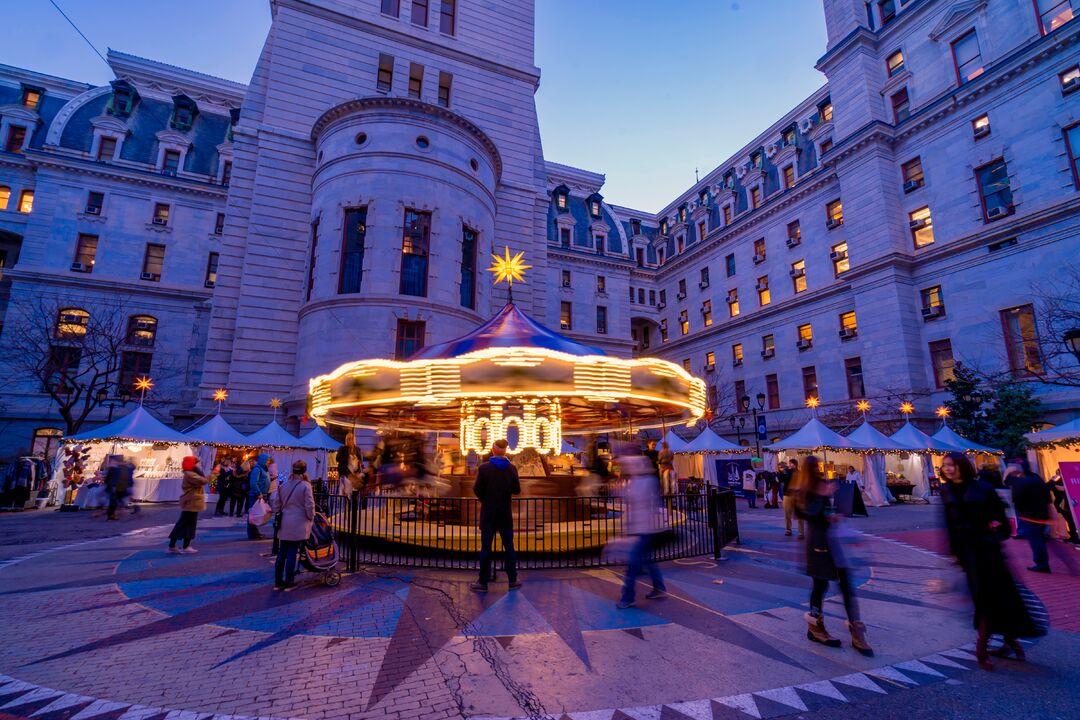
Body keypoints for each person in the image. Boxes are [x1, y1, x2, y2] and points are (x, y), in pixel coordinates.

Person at [941, 452, 1036, 668]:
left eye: (952, 465)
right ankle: (1008, 640)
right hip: (966, 552)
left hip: (986, 551)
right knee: (983, 597)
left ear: (963, 466)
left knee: (994, 596)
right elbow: (947, 524)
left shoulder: (983, 488)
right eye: (945, 465)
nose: (948, 469)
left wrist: (991, 539)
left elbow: (1003, 523)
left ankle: (983, 646)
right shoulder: (946, 490)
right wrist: (952, 551)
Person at [799, 455, 872, 655]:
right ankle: (815, 627)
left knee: (846, 585)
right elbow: (808, 514)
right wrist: (824, 501)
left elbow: (831, 510)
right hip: (819, 547)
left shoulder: (824, 485)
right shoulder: (805, 490)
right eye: (814, 467)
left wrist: (835, 513)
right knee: (820, 584)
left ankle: (856, 630)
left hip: (835, 543)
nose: (818, 470)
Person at [617, 448, 668, 609]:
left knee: (633, 564)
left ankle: (628, 597)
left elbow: (641, 501)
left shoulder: (644, 482)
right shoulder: (637, 481)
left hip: (644, 528)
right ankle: (659, 588)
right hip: (641, 527)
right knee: (647, 560)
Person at [470, 439, 522, 592]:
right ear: (505, 451)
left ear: (493, 450)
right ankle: (512, 579)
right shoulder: (512, 469)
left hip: (489, 513)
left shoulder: (484, 468)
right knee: (509, 547)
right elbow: (517, 490)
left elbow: (477, 488)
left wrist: (485, 500)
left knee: (486, 547)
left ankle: (483, 582)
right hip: (505, 513)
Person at [272, 460, 315, 590]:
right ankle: (289, 580)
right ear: (304, 470)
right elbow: (309, 505)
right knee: (292, 552)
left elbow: (276, 505)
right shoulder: (305, 486)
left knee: (282, 552)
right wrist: (310, 517)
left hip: (284, 522)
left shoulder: (284, 485)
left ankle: (278, 580)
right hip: (298, 523)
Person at [1007, 461, 1052, 573]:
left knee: (1035, 540)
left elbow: (1016, 498)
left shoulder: (1020, 482)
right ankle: (1043, 563)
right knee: (1039, 539)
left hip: (1029, 515)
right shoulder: (1037, 479)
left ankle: (1041, 563)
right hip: (1041, 514)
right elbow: (1047, 496)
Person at [168, 457, 208, 554]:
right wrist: (215, 473)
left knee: (188, 524)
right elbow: (203, 481)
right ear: (191, 464)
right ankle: (173, 545)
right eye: (196, 463)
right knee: (184, 524)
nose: (197, 465)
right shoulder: (190, 474)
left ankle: (185, 545)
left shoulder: (191, 473)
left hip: (192, 502)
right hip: (191, 502)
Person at [1049, 469, 1079, 544]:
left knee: (1071, 521)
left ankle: (1074, 537)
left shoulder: (1069, 480)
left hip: (1071, 503)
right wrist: (1053, 480)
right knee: (1070, 521)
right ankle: (1074, 537)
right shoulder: (1057, 481)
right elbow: (1048, 486)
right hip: (1063, 505)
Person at [247, 453, 271, 539]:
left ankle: (256, 532)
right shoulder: (257, 469)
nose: (268, 462)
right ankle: (252, 534)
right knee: (253, 515)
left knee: (258, 514)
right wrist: (258, 493)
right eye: (267, 460)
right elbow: (253, 483)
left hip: (261, 495)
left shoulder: (264, 469)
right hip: (256, 495)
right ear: (262, 460)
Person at [104, 455, 133, 521]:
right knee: (114, 501)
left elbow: (108, 478)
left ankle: (112, 514)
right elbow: (109, 478)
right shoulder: (114, 468)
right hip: (114, 487)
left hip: (117, 487)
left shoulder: (117, 468)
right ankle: (111, 515)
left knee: (115, 501)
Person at [782, 458, 804, 537]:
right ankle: (789, 530)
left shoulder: (798, 473)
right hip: (787, 495)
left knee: (799, 515)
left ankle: (800, 532)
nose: (789, 465)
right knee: (787, 514)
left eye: (790, 463)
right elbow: (782, 480)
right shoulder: (786, 472)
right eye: (789, 463)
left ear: (795, 464)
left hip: (796, 495)